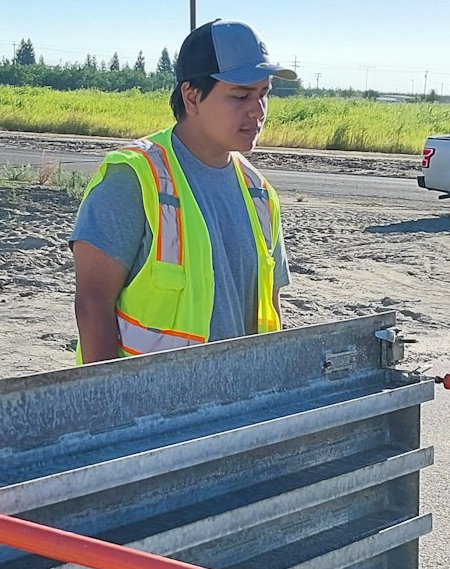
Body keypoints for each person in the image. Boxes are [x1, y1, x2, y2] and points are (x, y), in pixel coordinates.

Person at [70, 19, 292, 361]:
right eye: (240, 95)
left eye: (264, 94)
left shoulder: (260, 194)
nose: (258, 110)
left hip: (244, 405)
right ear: (191, 96)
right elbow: (92, 304)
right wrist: (105, 405)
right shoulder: (133, 178)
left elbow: (270, 312)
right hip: (150, 408)